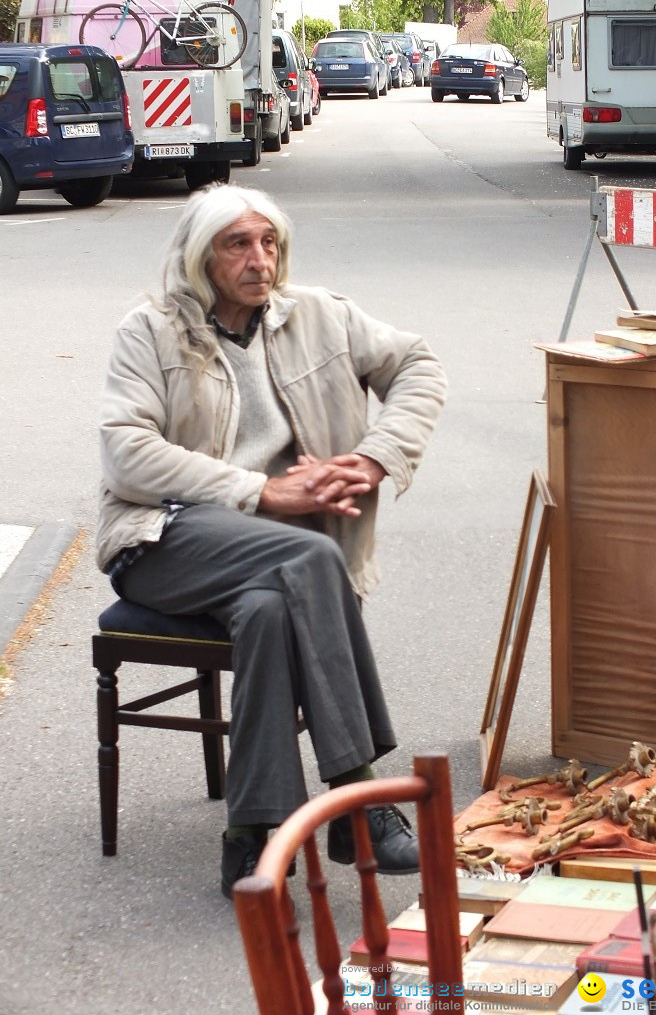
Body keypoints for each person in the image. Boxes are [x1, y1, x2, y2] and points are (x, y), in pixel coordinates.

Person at [97, 184, 447, 897]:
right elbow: (125, 452)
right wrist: (258, 491)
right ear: (201, 259)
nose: (260, 260)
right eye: (239, 245)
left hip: (277, 561)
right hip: (166, 538)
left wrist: (375, 457)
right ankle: (357, 793)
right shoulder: (151, 329)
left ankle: (248, 835)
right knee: (311, 555)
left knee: (268, 610)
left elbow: (419, 365)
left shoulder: (319, 315)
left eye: (270, 243)